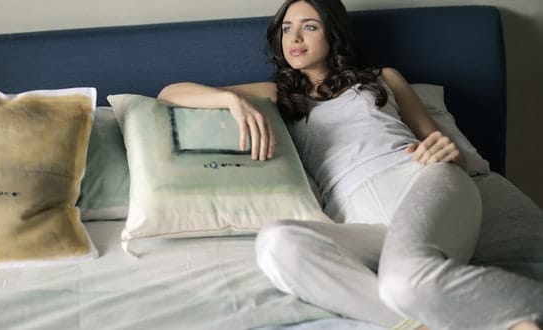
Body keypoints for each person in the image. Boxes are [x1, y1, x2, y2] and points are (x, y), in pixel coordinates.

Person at [158, 0, 543, 329]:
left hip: (423, 183)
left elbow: (443, 148)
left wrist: (449, 153)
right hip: (364, 224)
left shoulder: (382, 79)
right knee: (277, 242)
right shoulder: (279, 95)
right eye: (286, 28)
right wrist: (229, 101)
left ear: (333, 34)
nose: (294, 38)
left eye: (309, 26)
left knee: (405, 280)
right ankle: (416, 323)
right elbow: (169, 94)